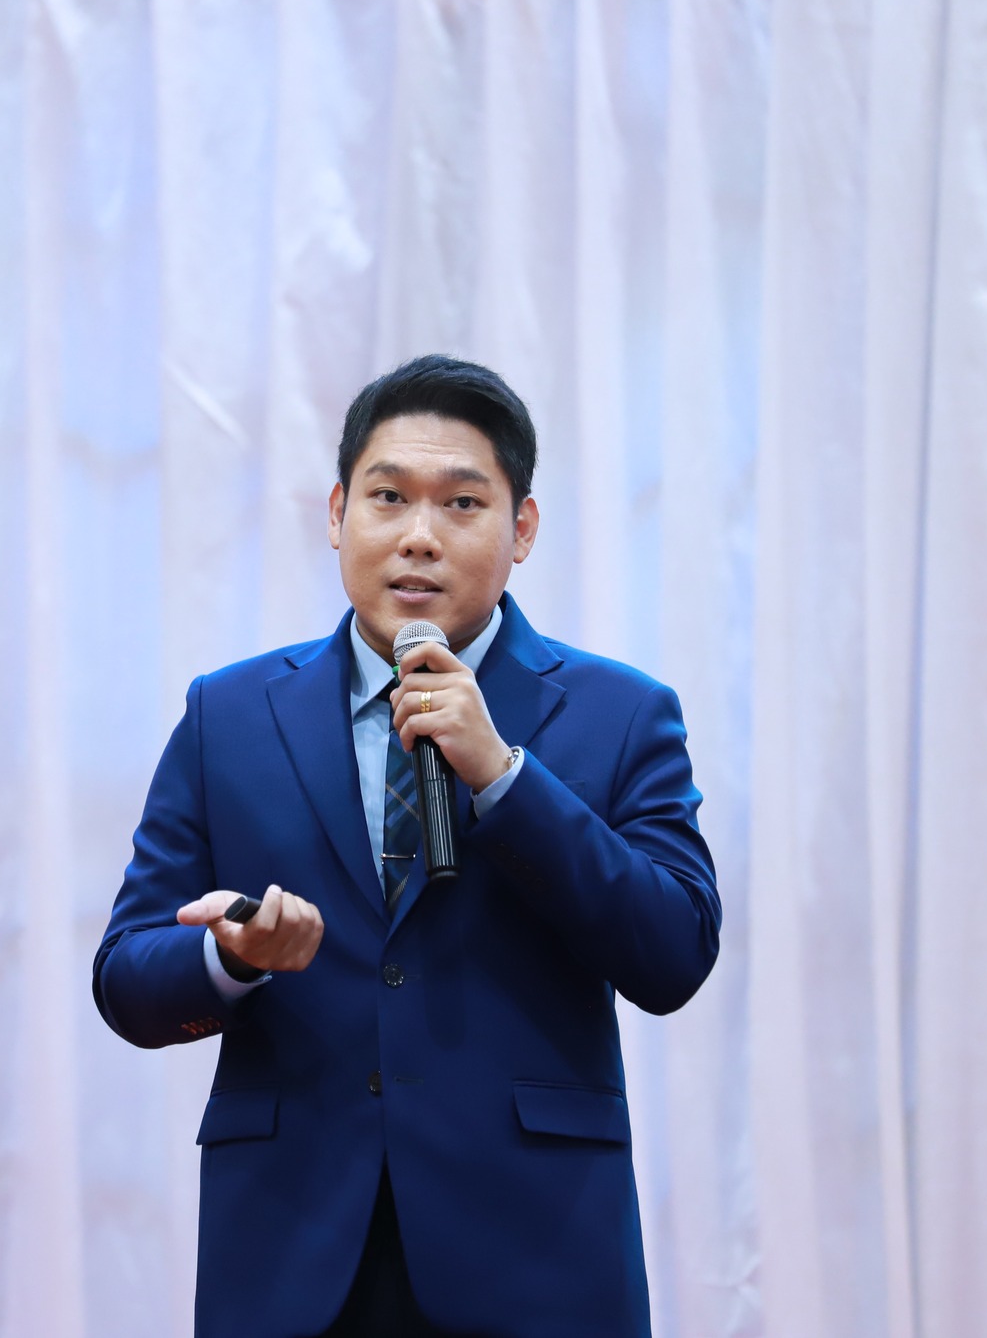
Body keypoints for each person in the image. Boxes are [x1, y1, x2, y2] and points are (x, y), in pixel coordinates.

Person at [93, 355, 720, 1337]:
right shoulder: (229, 715)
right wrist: (231, 958)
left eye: (462, 503)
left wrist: (503, 777)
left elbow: (673, 952)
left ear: (522, 528)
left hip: (536, 1255)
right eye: (388, 497)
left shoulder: (621, 713)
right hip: (293, 1255)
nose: (419, 535)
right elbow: (126, 977)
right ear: (337, 512)